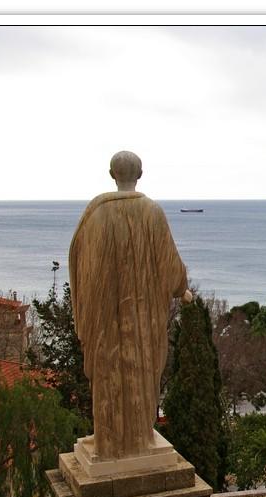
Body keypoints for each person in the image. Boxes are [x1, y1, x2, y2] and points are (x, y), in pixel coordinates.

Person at [69, 151, 192, 460]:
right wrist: (182, 289)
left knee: (107, 370)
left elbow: (80, 262)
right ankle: (138, 440)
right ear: (140, 174)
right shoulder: (151, 212)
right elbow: (169, 263)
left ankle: (108, 440)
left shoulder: (95, 213)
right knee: (141, 368)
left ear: (112, 174)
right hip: (141, 315)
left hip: (104, 316)